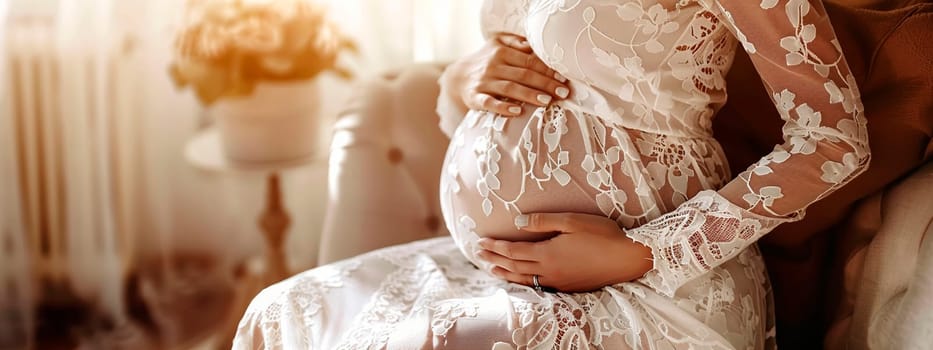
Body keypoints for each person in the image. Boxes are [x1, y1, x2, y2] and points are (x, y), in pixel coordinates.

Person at [234, 0, 870, 348]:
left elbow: (836, 140)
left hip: (655, 284)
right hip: (494, 269)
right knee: (280, 310)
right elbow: (514, 91)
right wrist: (460, 80)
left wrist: (641, 254)